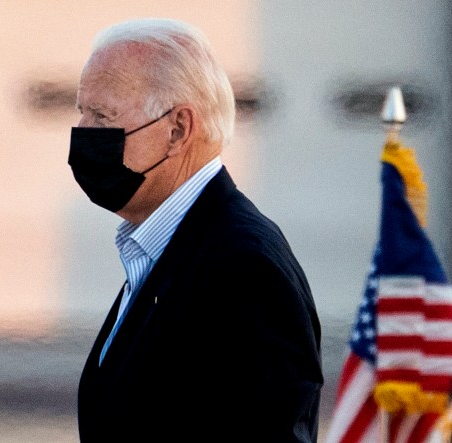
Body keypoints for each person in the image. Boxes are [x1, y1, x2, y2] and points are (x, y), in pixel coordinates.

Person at [68, 18, 324, 442]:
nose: (82, 131)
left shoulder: (243, 268)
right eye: (82, 111)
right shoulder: (166, 248)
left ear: (178, 130)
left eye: (102, 115)